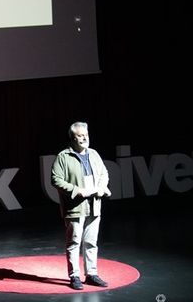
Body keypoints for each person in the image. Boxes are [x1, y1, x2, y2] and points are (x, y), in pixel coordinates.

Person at [50, 121, 111, 290]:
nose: (84, 138)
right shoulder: (63, 156)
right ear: (72, 138)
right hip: (75, 206)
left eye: (86, 135)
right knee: (74, 241)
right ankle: (74, 276)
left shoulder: (94, 154)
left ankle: (91, 274)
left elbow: (104, 173)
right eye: (80, 136)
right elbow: (56, 179)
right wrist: (76, 190)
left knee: (91, 242)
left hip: (94, 204)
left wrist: (101, 187)